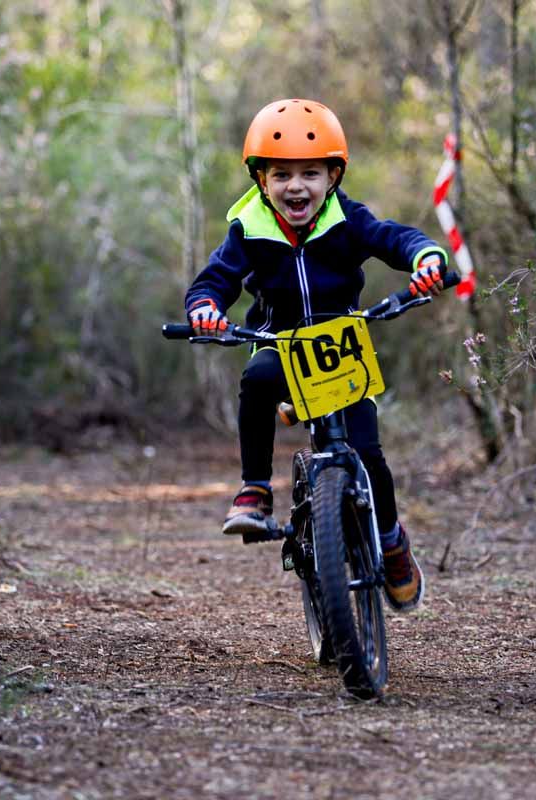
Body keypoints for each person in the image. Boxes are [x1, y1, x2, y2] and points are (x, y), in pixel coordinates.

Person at [183, 98, 446, 612]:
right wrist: (205, 308)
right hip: (280, 345)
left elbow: (395, 239)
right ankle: (255, 490)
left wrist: (425, 257)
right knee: (257, 382)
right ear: (261, 180)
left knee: (368, 457)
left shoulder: (348, 219)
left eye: (310, 173)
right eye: (281, 175)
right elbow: (216, 279)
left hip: (341, 347)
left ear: (333, 176)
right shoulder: (248, 226)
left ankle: (391, 540)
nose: (295, 186)